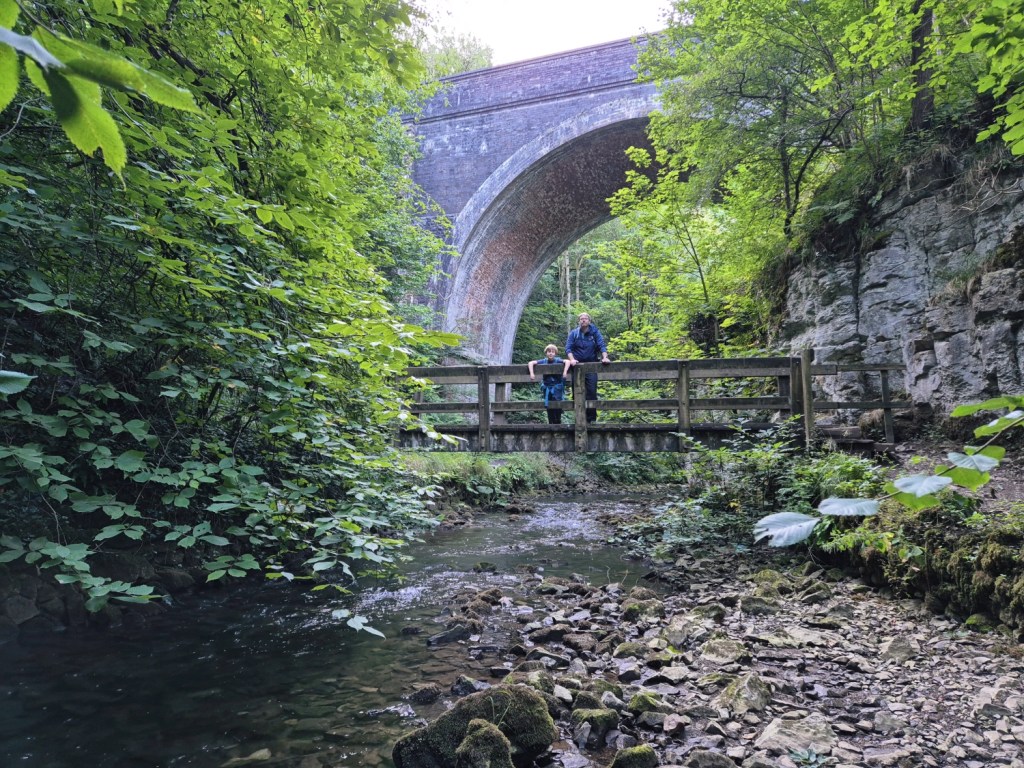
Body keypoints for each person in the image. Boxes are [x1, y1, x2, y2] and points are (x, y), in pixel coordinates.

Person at [565, 312, 610, 423]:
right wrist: (571, 360)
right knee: (577, 392)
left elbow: (601, 345)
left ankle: (591, 420)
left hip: (591, 366)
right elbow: (568, 348)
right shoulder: (574, 333)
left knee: (591, 392)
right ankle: (579, 420)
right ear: (579, 321)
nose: (583, 320)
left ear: (589, 321)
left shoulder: (594, 332)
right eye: (581, 319)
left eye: (585, 318)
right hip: (577, 367)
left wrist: (604, 357)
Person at [528, 344, 571, 424]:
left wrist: (565, 372)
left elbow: (568, 361)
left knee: (557, 405)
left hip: (557, 388)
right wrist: (532, 373)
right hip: (547, 387)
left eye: (552, 352)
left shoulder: (558, 360)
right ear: (546, 353)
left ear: (555, 353)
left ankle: (558, 423)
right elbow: (531, 363)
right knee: (548, 406)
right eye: (549, 351)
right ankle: (550, 423)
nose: (551, 353)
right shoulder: (543, 361)